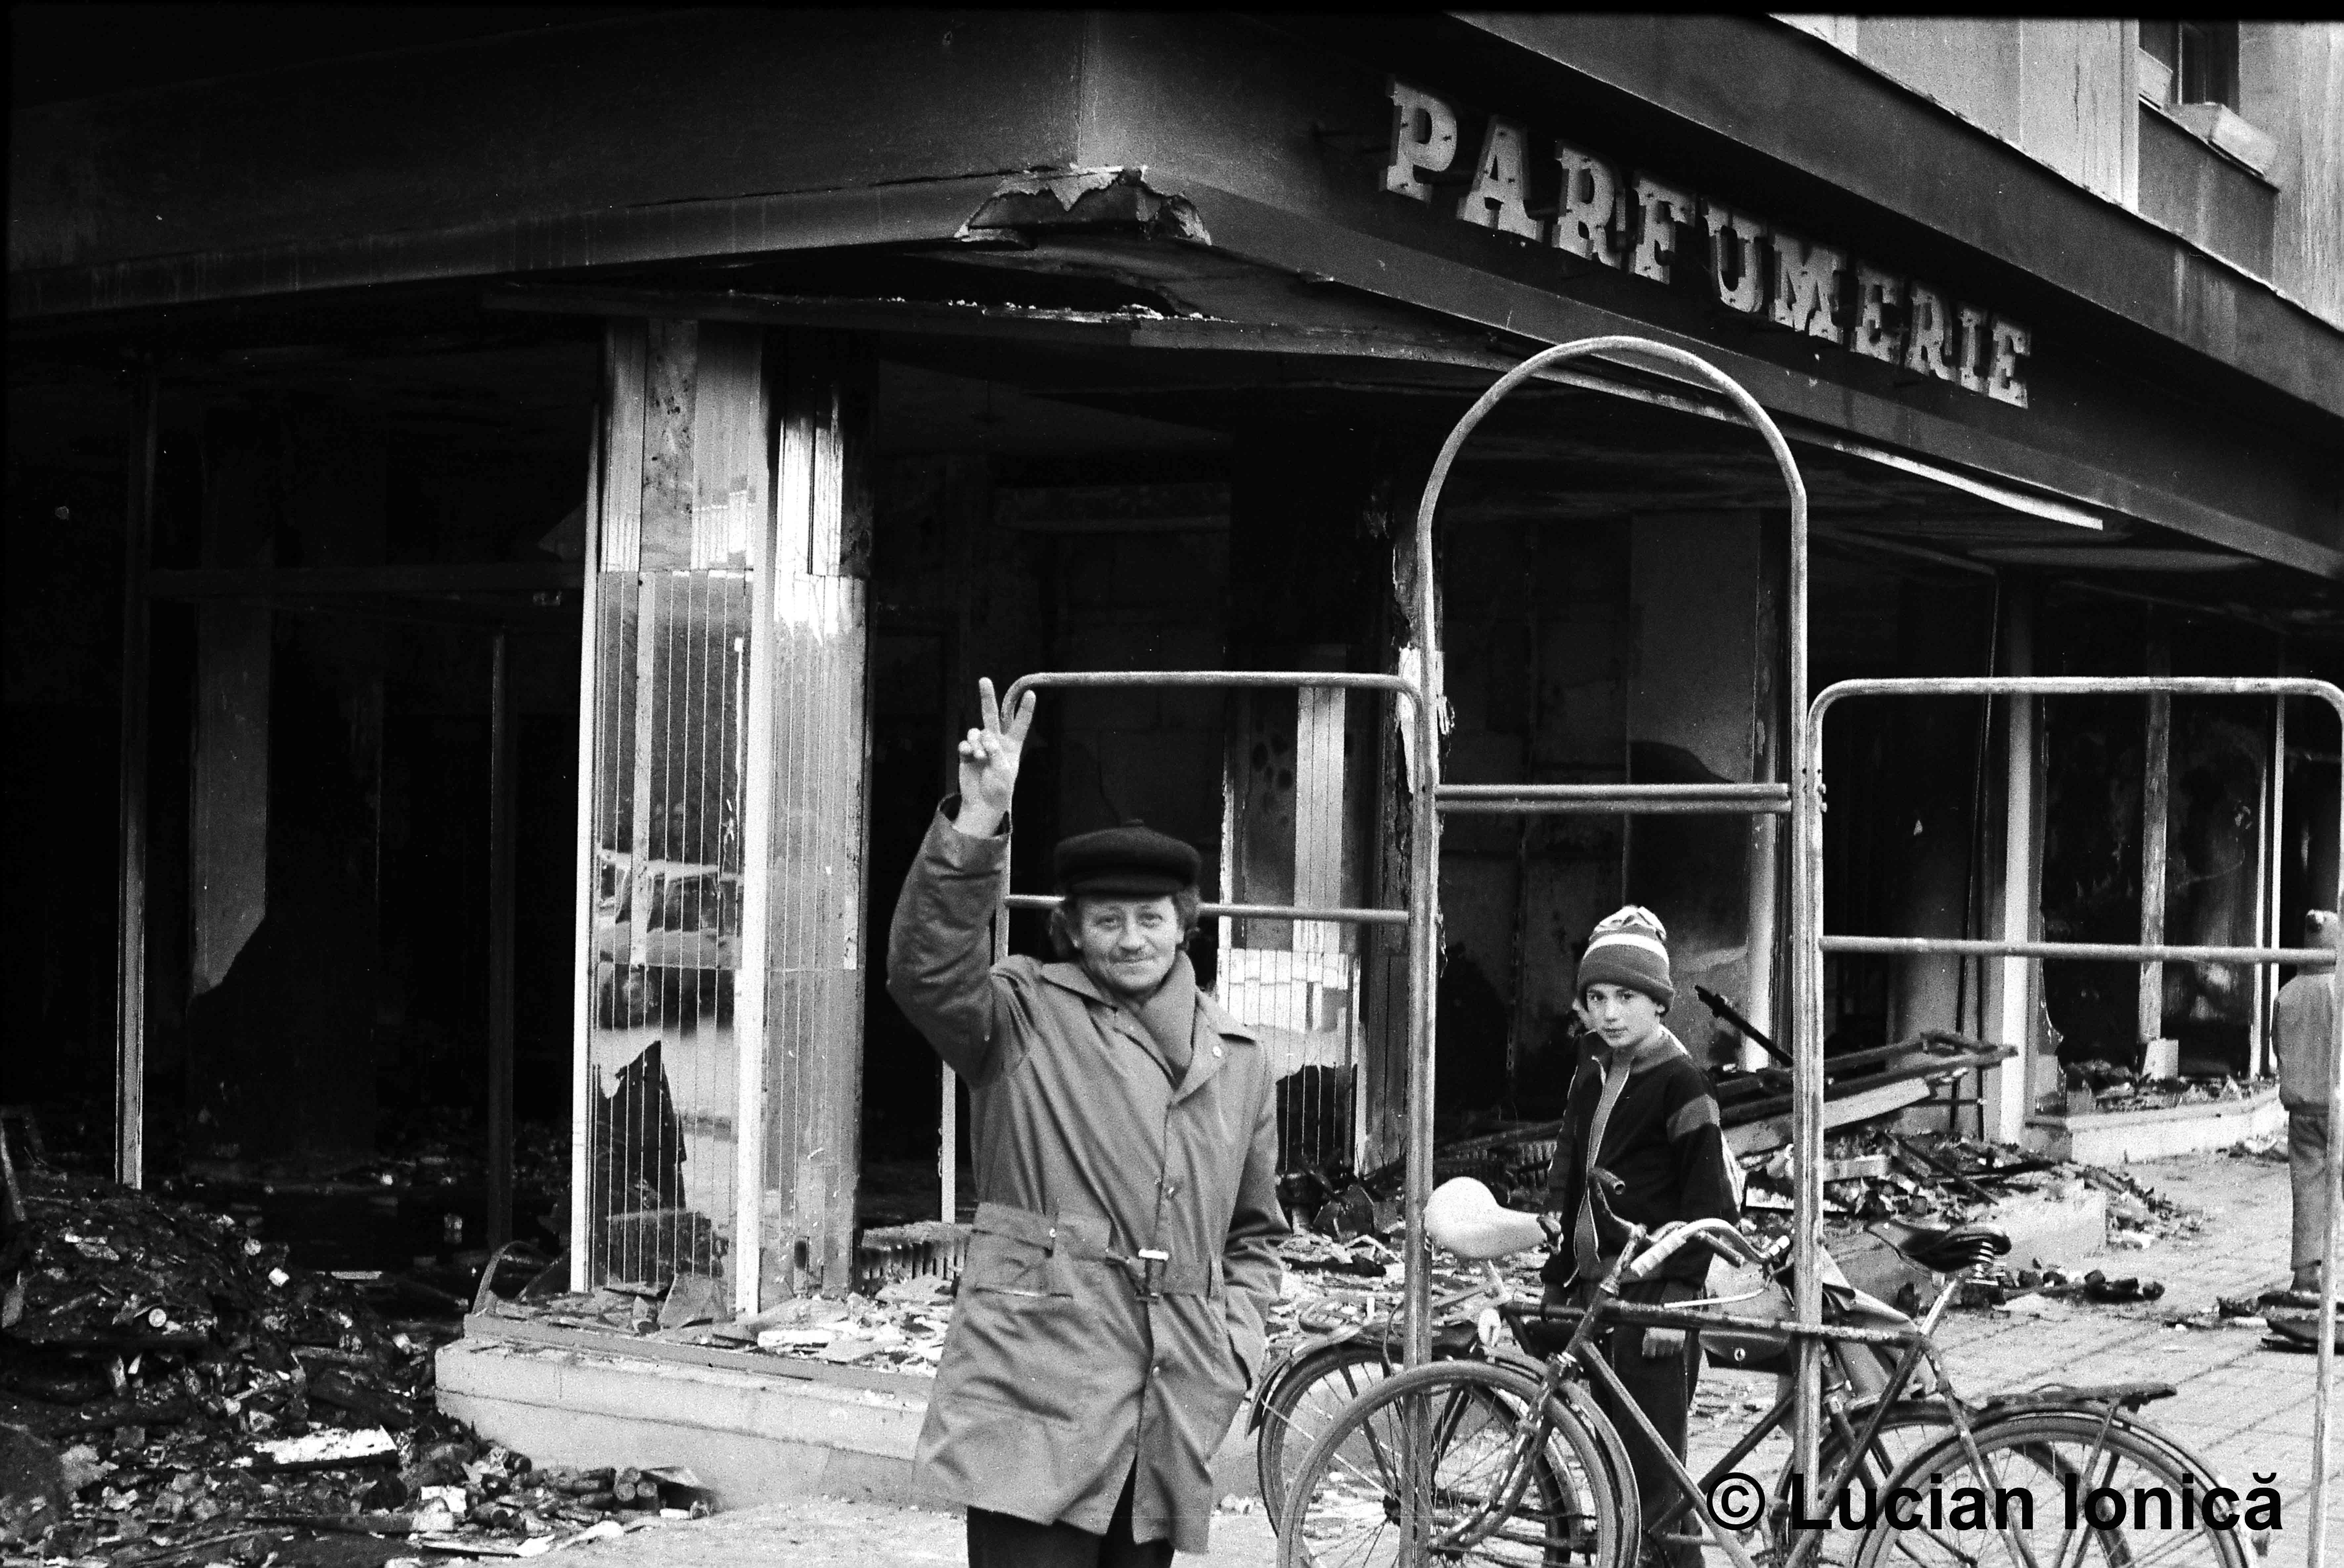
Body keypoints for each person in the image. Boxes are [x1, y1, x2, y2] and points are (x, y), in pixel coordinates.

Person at [885, 678, 1286, 1568]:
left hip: (1167, 1399)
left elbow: (1256, 1234)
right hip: (1037, 1386)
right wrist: (979, 818)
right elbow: (924, 972)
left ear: (1185, 925)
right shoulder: (1022, 1013)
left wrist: (1232, 1341)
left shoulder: (1240, 1057)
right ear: (1069, 928)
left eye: (1150, 918)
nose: (1131, 938)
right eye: (1106, 919)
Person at [1540, 906, 1739, 1568]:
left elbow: (1710, 1202)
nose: (1610, 1013)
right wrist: (1557, 1272)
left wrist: (1678, 1300)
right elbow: (1570, 1176)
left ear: (1658, 1002)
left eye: (1626, 997)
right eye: (1596, 998)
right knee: (1611, 1464)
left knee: (1658, 1482)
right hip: (1603, 1293)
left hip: (1655, 1301)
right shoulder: (1591, 1070)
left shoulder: (1681, 1080)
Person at [2272, 908, 2339, 1296]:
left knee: (2307, 1189)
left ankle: (2305, 1275)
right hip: (2338, 1107)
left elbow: (2277, 1046)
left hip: (2301, 1110)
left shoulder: (2287, 994)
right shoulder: (2341, 990)